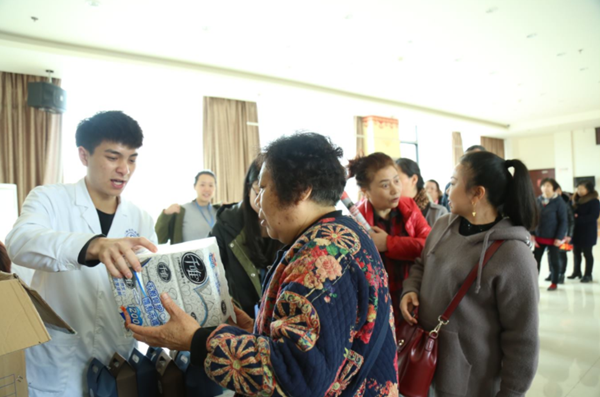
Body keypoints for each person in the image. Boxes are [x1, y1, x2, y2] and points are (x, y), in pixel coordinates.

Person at [127, 133, 398, 396]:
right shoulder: (344, 233)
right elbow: (322, 342)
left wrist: (196, 340)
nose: (257, 201)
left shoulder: (319, 255)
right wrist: (258, 330)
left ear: (301, 191)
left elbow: (295, 375)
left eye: (264, 188)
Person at [5, 111, 158, 397]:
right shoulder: (49, 198)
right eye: (113, 157)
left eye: (132, 158)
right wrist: (93, 246)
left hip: (117, 362)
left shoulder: (141, 218)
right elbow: (20, 242)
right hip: (56, 366)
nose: (124, 169)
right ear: (84, 156)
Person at [400, 151, 539, 397]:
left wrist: (512, 392)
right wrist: (411, 289)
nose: (446, 190)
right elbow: (422, 263)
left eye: (453, 183)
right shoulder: (444, 225)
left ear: (477, 193)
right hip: (425, 358)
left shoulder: (513, 254)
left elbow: (522, 336)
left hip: (470, 379)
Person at [347, 152, 430, 336]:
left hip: (410, 295)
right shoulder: (356, 221)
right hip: (377, 305)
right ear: (366, 191)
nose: (395, 190)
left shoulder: (409, 206)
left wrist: (388, 244)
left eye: (396, 181)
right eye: (385, 185)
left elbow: (429, 246)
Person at [209, 155, 282, 318]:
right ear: (249, 187)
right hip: (240, 317)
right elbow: (209, 269)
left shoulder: (287, 223)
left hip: (277, 319)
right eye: (259, 189)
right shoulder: (227, 223)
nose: (263, 199)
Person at [155, 170, 219, 244]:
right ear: (194, 186)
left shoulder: (219, 211)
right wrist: (165, 214)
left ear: (215, 188)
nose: (207, 189)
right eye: (202, 185)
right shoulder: (181, 211)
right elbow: (159, 238)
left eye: (211, 185)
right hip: (188, 255)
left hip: (215, 255)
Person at [531, 178, 567, 290]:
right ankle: (533, 282)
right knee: (535, 261)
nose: (545, 188)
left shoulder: (559, 201)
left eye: (548, 186)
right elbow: (533, 218)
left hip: (553, 238)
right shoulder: (537, 200)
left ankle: (554, 282)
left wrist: (559, 237)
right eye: (543, 186)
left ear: (553, 188)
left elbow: (563, 220)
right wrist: (532, 234)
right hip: (538, 237)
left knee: (554, 261)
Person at [396, 158, 448, 227]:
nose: (393, 186)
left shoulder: (438, 213)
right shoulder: (390, 212)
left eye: (396, 180)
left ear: (414, 179)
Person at [569, 181, 600, 283]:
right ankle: (577, 272)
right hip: (576, 231)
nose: (579, 191)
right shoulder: (575, 200)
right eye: (578, 188)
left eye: (582, 188)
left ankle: (588, 274)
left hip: (588, 231)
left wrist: (577, 218)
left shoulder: (594, 201)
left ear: (588, 190)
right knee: (576, 252)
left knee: (587, 253)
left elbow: (593, 216)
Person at [440, 144, 486, 210]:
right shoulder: (450, 186)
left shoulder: (492, 187)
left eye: (475, 159)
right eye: (466, 159)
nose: (448, 191)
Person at [556, 185, 575, 283]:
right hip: (551, 234)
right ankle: (553, 273)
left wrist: (569, 234)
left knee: (562, 254)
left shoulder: (566, 203)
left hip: (564, 234)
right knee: (552, 254)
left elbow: (571, 220)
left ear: (560, 190)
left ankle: (561, 274)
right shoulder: (548, 202)